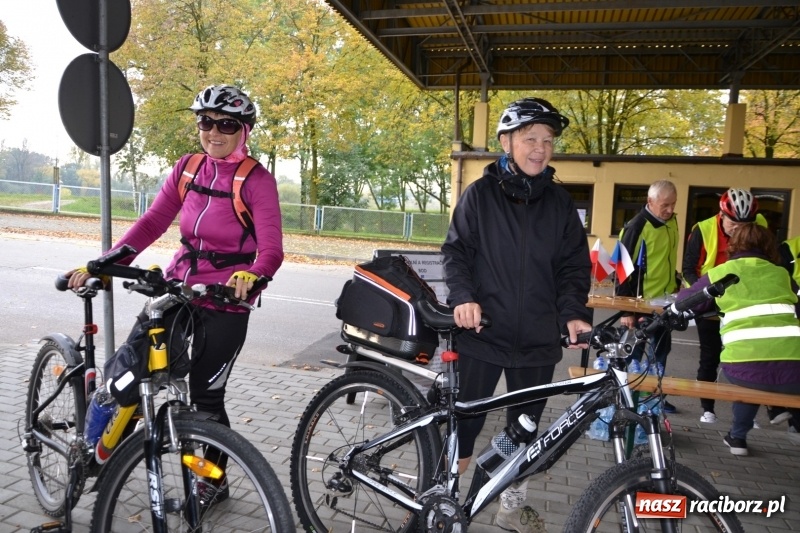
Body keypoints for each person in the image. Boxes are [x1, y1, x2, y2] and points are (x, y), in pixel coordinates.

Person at [67, 84, 284, 502]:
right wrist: (104, 263)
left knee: (206, 400)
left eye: (226, 124)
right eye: (206, 122)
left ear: (244, 130)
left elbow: (271, 249)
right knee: (125, 377)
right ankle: (92, 451)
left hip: (225, 302)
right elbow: (152, 222)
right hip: (178, 289)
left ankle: (211, 482)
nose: (213, 132)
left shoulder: (257, 180)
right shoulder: (188, 168)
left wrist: (253, 274)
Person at [442, 97, 592, 533]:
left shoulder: (560, 203)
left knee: (523, 433)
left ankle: (509, 506)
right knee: (463, 430)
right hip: (482, 335)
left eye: (547, 140)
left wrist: (573, 313)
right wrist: (463, 298)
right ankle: (444, 503)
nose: (540, 148)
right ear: (506, 142)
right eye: (530, 139)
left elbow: (573, 267)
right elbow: (456, 253)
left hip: (537, 343)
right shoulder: (480, 195)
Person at [677, 223, 800, 455]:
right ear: (769, 247)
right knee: (775, 372)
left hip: (742, 367)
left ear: (733, 245)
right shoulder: (782, 274)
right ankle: (781, 415)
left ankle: (738, 438)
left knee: (750, 375)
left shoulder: (722, 272)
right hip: (795, 369)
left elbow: (684, 301)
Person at [682, 188, 769, 424]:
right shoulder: (703, 229)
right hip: (710, 301)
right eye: (733, 224)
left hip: (744, 303)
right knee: (710, 357)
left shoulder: (760, 225)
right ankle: (707, 409)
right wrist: (702, 296)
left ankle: (745, 414)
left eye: (745, 225)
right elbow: (689, 269)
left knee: (747, 360)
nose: (739, 230)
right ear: (721, 215)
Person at [617, 180, 680, 413]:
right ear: (650, 201)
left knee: (660, 352)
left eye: (673, 204)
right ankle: (626, 399)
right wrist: (626, 310)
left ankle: (654, 397)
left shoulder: (671, 222)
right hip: (640, 303)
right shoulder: (636, 227)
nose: (670, 210)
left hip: (665, 303)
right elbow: (621, 268)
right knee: (633, 353)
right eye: (665, 205)